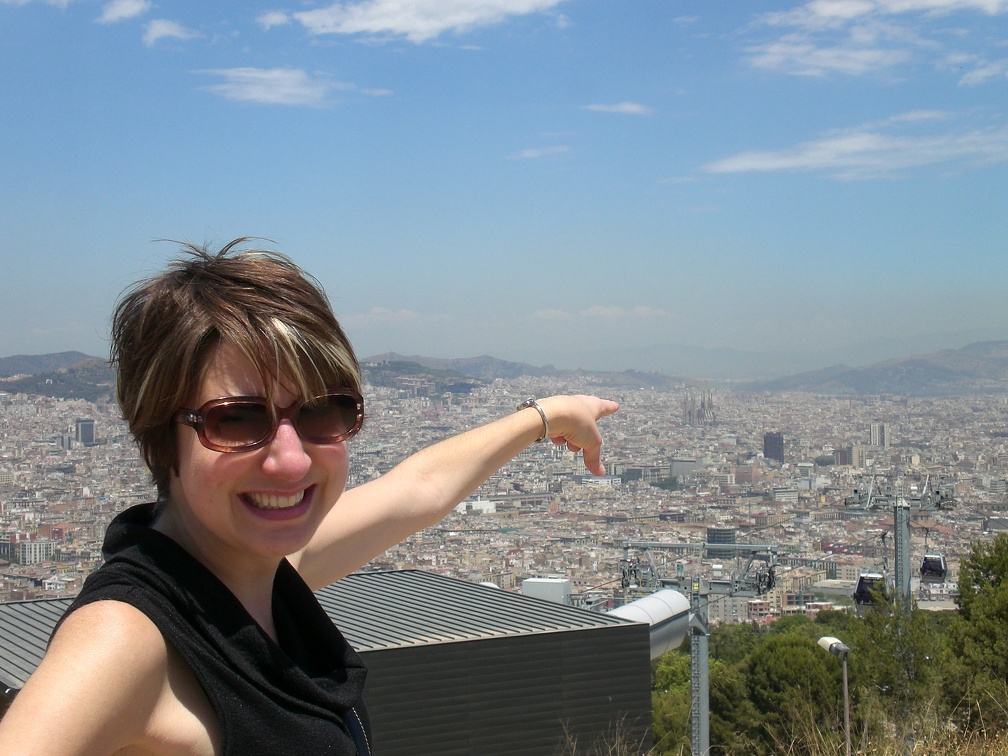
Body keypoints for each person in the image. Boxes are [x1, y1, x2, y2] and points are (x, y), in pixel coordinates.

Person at [0, 239, 619, 755]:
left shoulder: (250, 575)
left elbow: (416, 490)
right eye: (237, 420)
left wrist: (545, 416)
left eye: (325, 411)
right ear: (162, 438)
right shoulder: (126, 638)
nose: (291, 458)